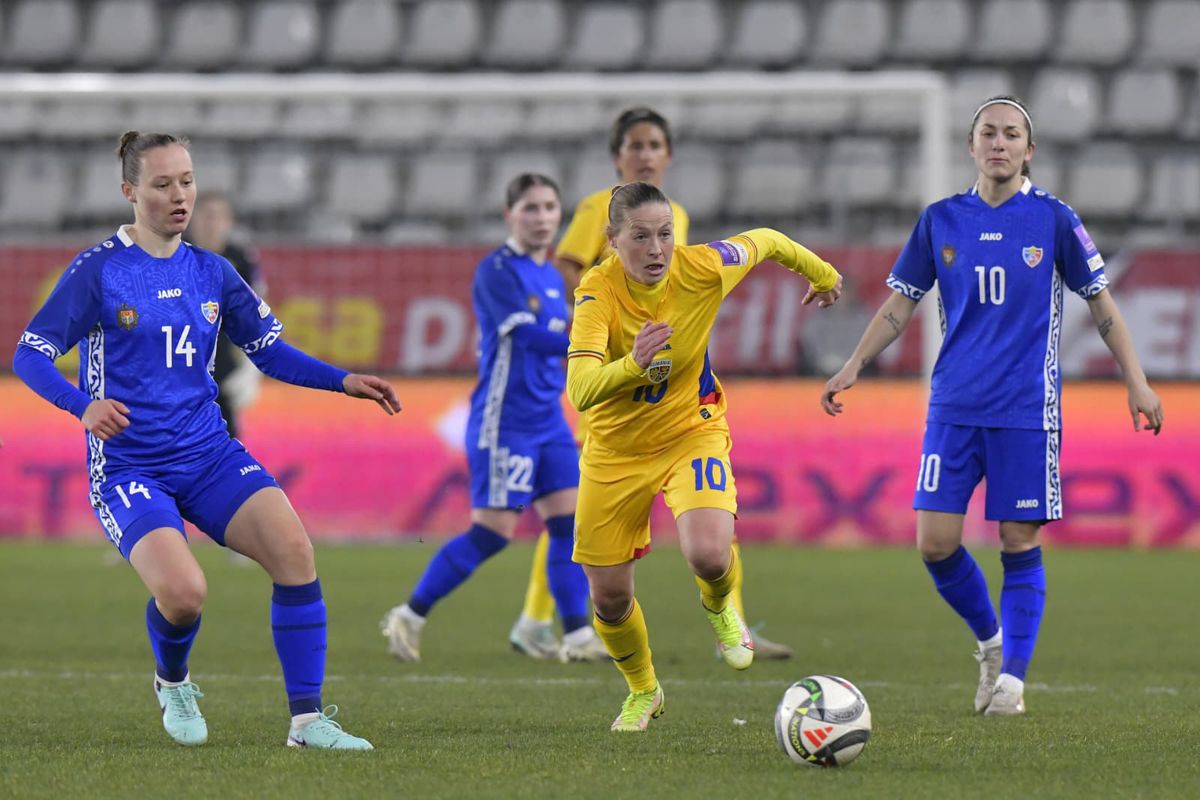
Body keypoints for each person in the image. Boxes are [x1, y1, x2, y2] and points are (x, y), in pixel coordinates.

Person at [12, 131, 401, 749]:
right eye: (162, 184)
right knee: (187, 594)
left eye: (187, 181)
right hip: (131, 467)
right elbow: (29, 356)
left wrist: (343, 379)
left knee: (296, 556)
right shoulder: (99, 270)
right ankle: (173, 681)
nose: (178, 195)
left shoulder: (212, 270)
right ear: (129, 191)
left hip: (209, 454)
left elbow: (269, 351)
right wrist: (82, 405)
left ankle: (307, 722)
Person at [820, 95, 1164, 717]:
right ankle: (991, 644)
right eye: (988, 133)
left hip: (1026, 410)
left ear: (1029, 151)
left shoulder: (1056, 220)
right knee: (935, 543)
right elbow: (901, 303)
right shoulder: (940, 220)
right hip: (953, 406)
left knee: (1017, 537)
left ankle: (1013, 682)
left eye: (1011, 134)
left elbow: (1103, 307)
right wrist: (854, 364)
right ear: (971, 146)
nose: (999, 143)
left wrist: (1136, 382)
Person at [509, 107, 794, 661]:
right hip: (614, 385)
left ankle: (728, 616)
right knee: (576, 518)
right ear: (617, 156)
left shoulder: (676, 215)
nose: (645, 154)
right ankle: (539, 618)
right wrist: (603, 317)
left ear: (668, 155)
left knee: (709, 524)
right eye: (635, 146)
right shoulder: (597, 210)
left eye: (654, 145)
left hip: (672, 390)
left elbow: (678, 279)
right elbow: (567, 269)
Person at [569, 182, 842, 731]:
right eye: (640, 237)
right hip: (614, 453)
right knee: (609, 598)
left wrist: (824, 274)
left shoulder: (704, 267)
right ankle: (644, 691)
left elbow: (766, 241)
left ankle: (721, 608)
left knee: (710, 555)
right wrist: (633, 365)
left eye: (664, 234)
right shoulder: (596, 293)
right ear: (612, 240)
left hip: (691, 432)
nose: (655, 249)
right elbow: (579, 389)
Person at [380, 174, 608, 664]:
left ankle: (574, 634)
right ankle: (410, 613)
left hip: (549, 420)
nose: (543, 217)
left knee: (571, 526)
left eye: (550, 207)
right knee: (492, 534)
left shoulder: (551, 276)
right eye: (531, 208)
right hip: (505, 422)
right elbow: (526, 338)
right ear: (510, 215)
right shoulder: (497, 272)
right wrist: (595, 345)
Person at [186, 191, 264, 441]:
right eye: (205, 216)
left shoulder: (240, 260)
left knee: (226, 445)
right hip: (177, 365)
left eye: (218, 217)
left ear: (230, 222)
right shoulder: (171, 253)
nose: (211, 223)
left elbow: (255, 316)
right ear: (190, 219)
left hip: (221, 366)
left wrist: (251, 370)